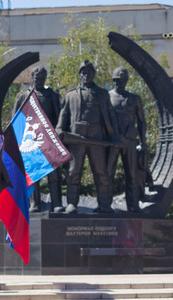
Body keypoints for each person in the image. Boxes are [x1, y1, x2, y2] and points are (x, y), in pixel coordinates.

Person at [56, 60, 120, 214]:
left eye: (89, 73)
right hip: (76, 139)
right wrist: (59, 128)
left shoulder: (102, 94)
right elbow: (64, 114)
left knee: (101, 172)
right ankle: (72, 203)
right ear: (80, 75)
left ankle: (103, 204)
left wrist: (115, 135)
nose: (86, 75)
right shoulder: (71, 94)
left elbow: (110, 115)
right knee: (73, 172)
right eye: (83, 73)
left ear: (93, 75)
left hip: (97, 139)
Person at [13, 66, 63, 212]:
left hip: (49, 142)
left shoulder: (52, 96)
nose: (39, 80)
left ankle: (56, 203)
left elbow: (59, 117)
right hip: (31, 142)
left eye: (42, 77)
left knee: (54, 175)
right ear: (32, 78)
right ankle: (35, 204)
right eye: (37, 77)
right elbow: (16, 120)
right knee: (34, 174)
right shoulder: (23, 96)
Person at [107, 66, 147, 212]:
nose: (120, 83)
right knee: (108, 173)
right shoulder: (107, 97)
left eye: (123, 80)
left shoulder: (134, 99)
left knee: (132, 174)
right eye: (118, 81)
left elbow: (141, 121)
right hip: (113, 142)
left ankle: (133, 204)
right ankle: (105, 205)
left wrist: (143, 142)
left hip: (130, 141)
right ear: (113, 81)